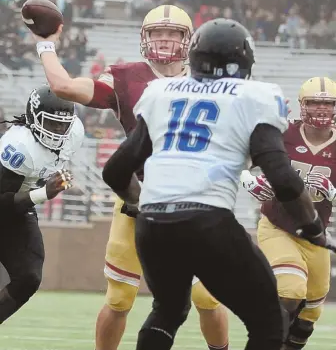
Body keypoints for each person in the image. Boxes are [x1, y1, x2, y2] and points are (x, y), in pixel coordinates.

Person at [99, 18, 335, 350]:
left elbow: (114, 171)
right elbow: (282, 178)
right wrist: (312, 226)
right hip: (207, 220)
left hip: (153, 223)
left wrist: (139, 202)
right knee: (269, 322)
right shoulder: (256, 95)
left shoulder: (163, 92)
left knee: (167, 311)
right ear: (246, 61)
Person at [29, 4, 229, 350]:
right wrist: (46, 45)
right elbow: (64, 87)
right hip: (139, 197)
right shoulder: (125, 76)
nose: (164, 40)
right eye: (157, 33)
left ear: (189, 40)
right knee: (120, 297)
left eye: (172, 33)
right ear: (144, 38)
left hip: (194, 200)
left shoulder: (211, 79)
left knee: (207, 296)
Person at [241, 76, 336, 349]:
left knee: (311, 312)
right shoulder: (283, 133)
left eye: (327, 104)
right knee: (290, 290)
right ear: (301, 105)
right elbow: (237, 158)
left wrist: (333, 193)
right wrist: (248, 179)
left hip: (314, 233)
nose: (321, 109)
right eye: (314, 103)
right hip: (278, 225)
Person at [0, 84, 84, 324]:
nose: (58, 130)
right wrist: (44, 193)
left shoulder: (75, 132)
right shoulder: (19, 146)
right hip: (9, 203)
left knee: (28, 277)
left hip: (20, 209)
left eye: (63, 124)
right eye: (51, 123)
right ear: (34, 117)